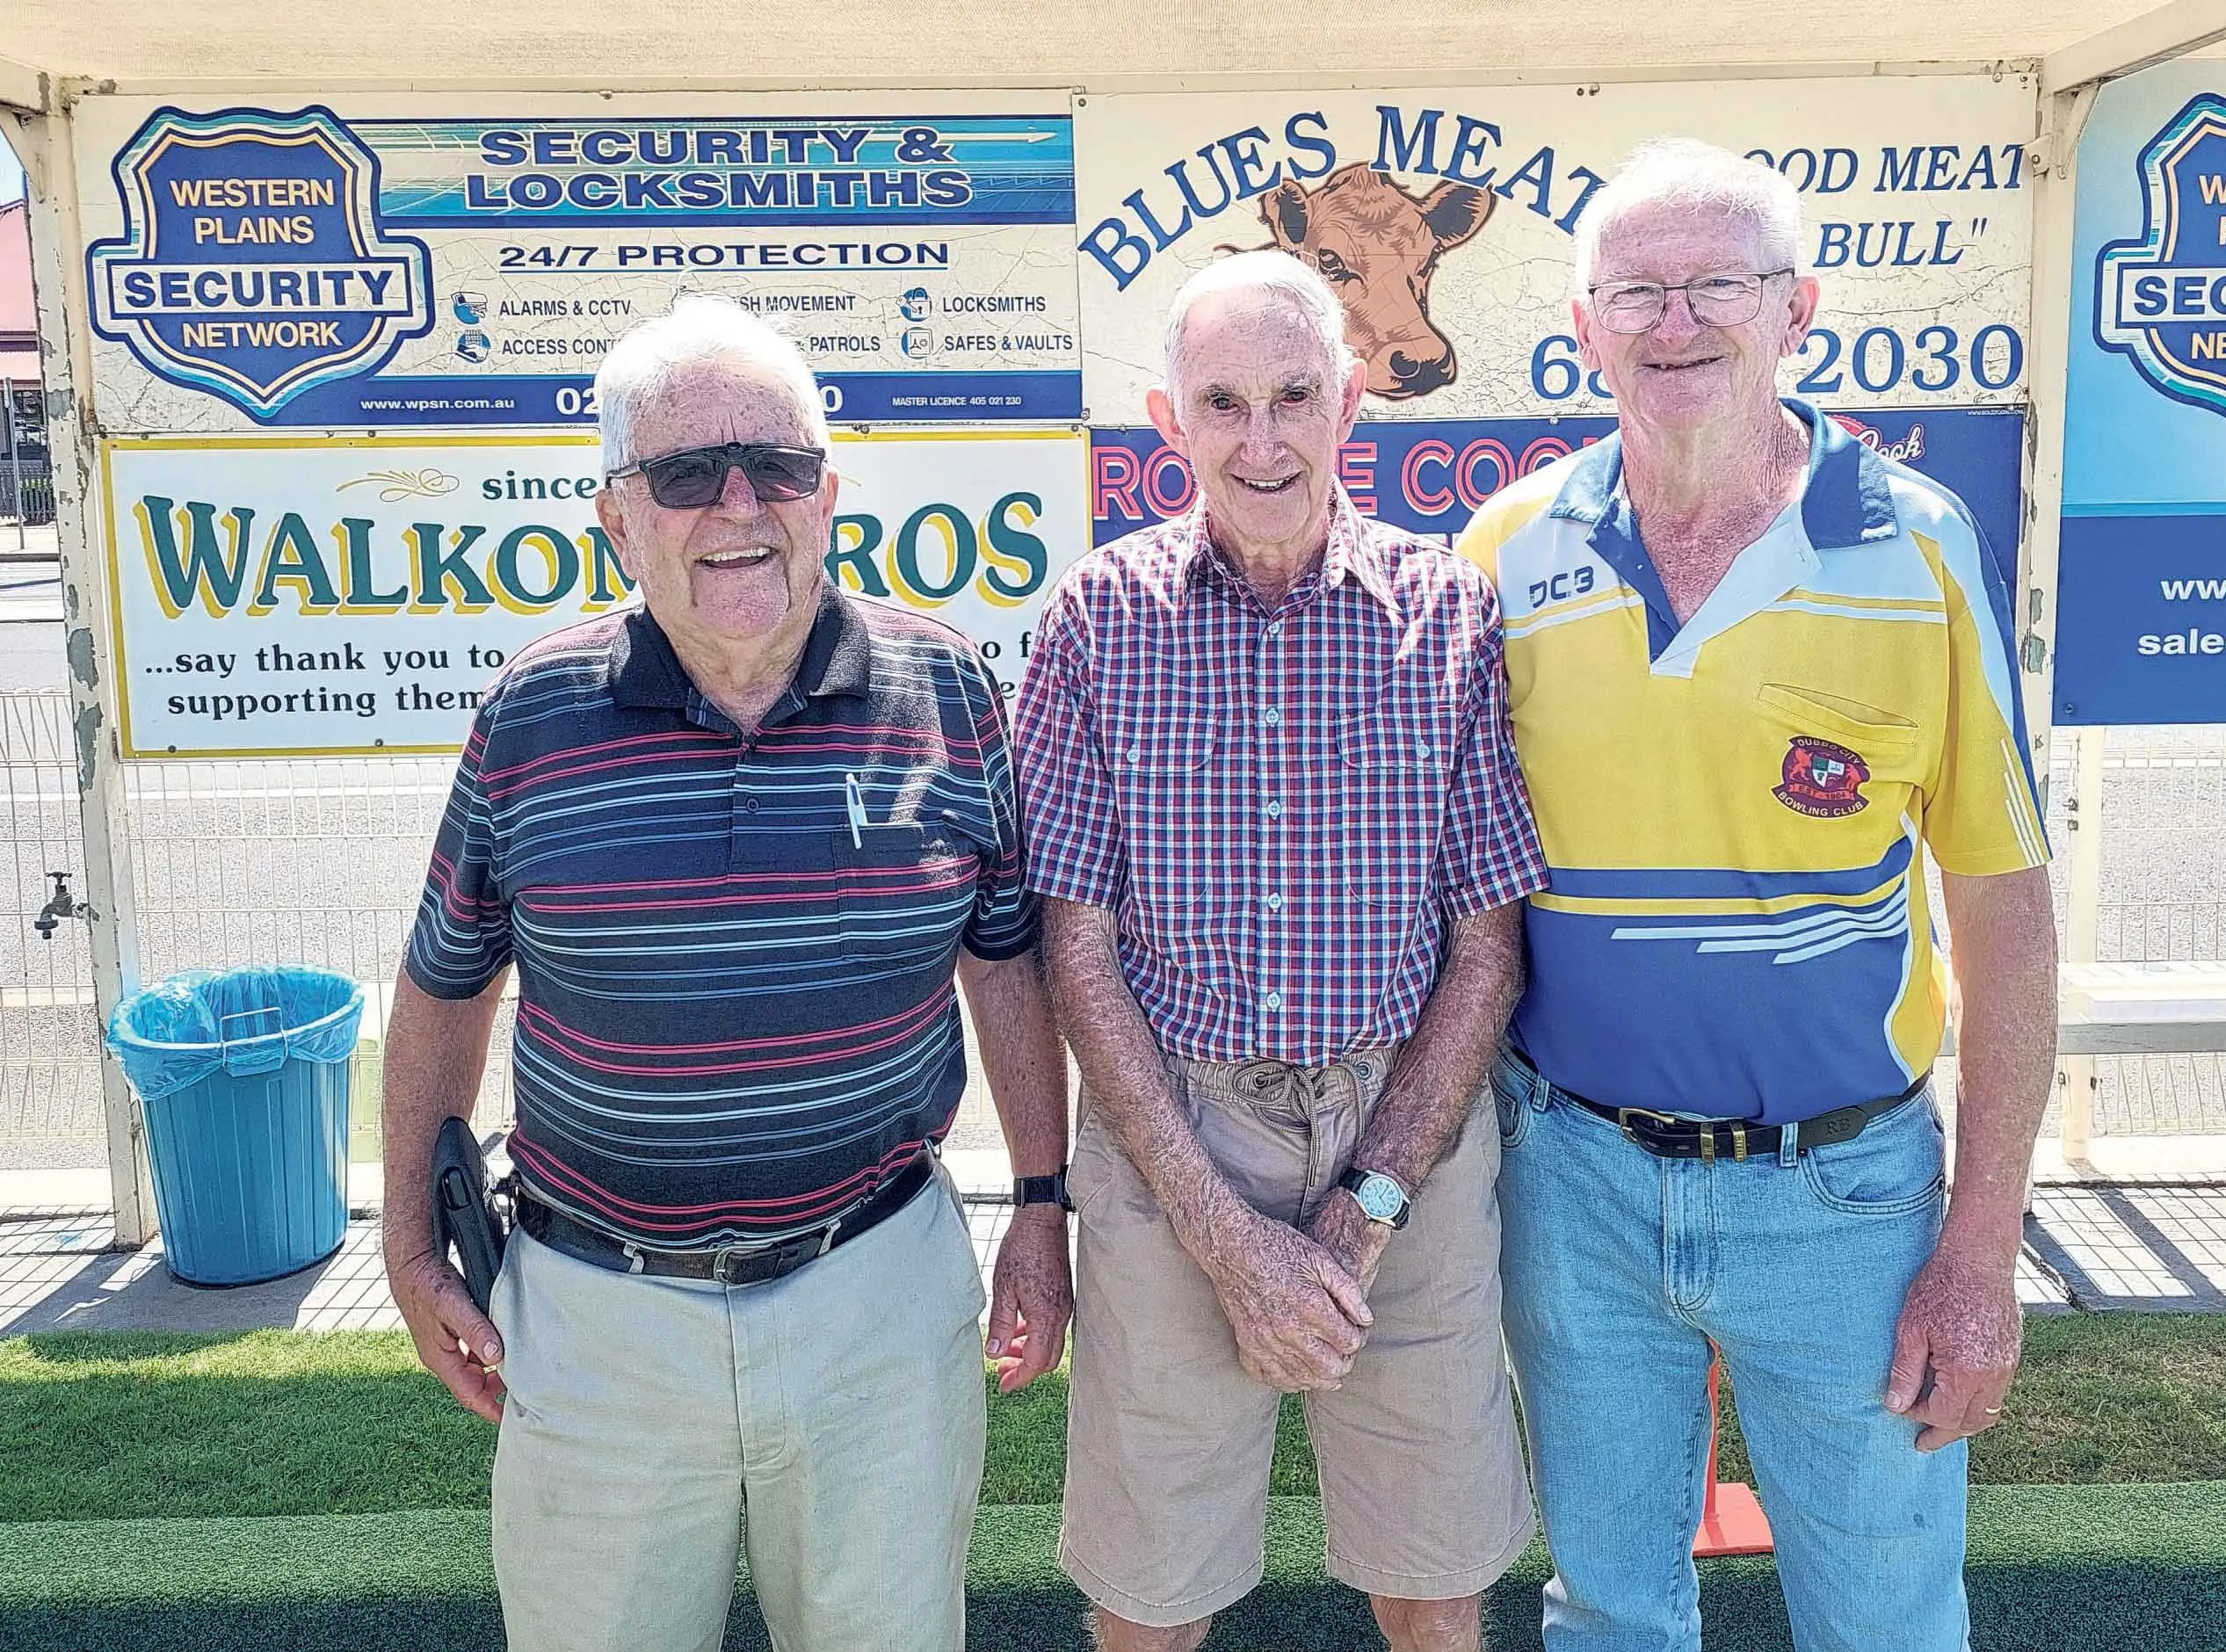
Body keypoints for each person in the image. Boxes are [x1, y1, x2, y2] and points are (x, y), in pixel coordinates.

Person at [378, 294, 1072, 1652]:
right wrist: (408, 1243)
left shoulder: (948, 690)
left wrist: (1043, 1207)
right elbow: (445, 990)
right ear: (617, 518)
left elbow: (1009, 972)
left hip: (875, 1290)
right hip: (594, 1314)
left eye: (780, 464)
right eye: (686, 473)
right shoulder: (533, 714)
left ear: (830, 493)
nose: (738, 502)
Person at [1458, 139, 2059, 1649]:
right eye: (1637, 292)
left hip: (1846, 1201)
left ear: (1799, 309)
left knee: (1885, 1620)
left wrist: (1980, 1251)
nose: (1676, 323)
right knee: (1609, 1612)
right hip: (1574, 1183)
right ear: (1585, 327)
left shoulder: (1918, 548)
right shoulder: (1507, 550)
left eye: (1717, 285)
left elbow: (2005, 909)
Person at [1011, 251, 1547, 1652]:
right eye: (1224, 401)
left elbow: (1487, 947)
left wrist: (1365, 1206)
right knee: (1151, 1600)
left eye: (1295, 395)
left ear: (1352, 402)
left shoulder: (1450, 612)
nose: (1262, 439)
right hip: (1171, 1117)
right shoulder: (1092, 621)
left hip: (1406, 1134)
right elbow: (1075, 947)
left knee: (1435, 1585)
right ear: (1167, 417)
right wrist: (1219, 1230)